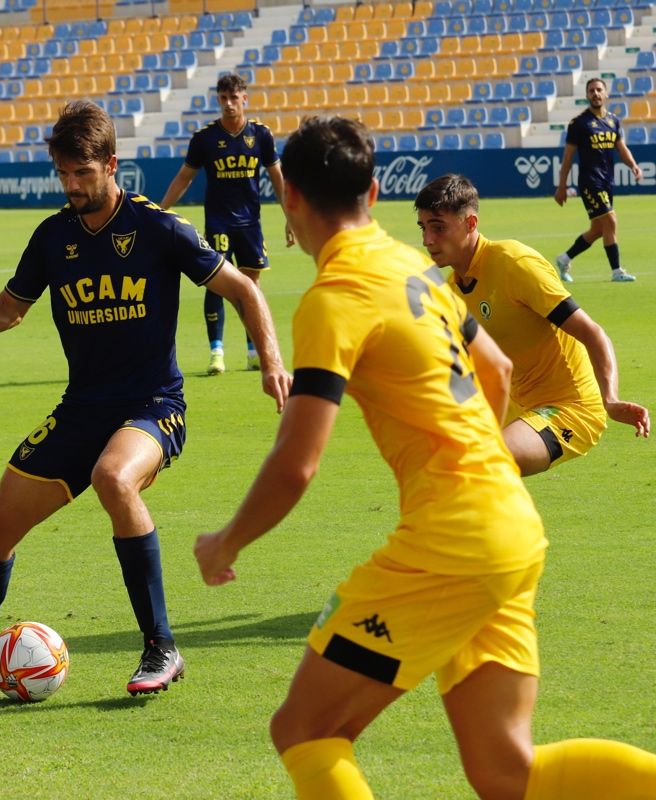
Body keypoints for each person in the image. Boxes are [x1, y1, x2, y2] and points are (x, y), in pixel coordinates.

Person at [194, 116, 656, 799]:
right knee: (506, 773)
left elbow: (298, 463)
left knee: (305, 730)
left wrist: (226, 541)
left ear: (286, 195)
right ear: (375, 192)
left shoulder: (334, 298)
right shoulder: (411, 263)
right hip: (511, 530)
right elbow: (494, 368)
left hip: (455, 538)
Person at [0, 101, 292, 695]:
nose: (72, 187)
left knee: (115, 478)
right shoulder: (54, 236)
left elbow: (242, 288)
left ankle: (162, 648)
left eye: (83, 174)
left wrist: (272, 361)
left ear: (112, 164)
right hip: (81, 408)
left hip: (154, 406)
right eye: (63, 175)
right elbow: (9, 310)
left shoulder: (158, 228)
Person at [416, 173, 649, 476]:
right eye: (423, 228)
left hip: (569, 407)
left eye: (438, 227)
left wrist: (611, 399)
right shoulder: (451, 290)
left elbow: (592, 333)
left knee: (483, 463)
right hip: (516, 406)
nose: (427, 240)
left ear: (471, 223)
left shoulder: (514, 263)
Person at [159, 73, 293, 375]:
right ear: (218, 99)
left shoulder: (261, 135)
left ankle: (252, 352)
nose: (229, 104)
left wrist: (289, 216)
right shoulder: (205, 138)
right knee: (217, 285)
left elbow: (277, 178)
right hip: (218, 223)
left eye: (234, 97)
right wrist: (160, 210)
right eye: (224, 98)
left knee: (251, 286)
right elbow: (184, 177)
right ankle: (216, 352)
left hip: (250, 225)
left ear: (244, 97)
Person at [553, 77, 642, 283]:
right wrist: (562, 186)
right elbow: (567, 158)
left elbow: (621, 148)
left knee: (599, 229)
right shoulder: (579, 124)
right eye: (591, 90)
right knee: (611, 220)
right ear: (587, 95)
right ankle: (617, 271)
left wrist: (634, 166)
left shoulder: (613, 121)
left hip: (607, 182)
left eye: (599, 90)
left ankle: (564, 258)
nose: (595, 93)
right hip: (590, 182)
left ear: (606, 93)